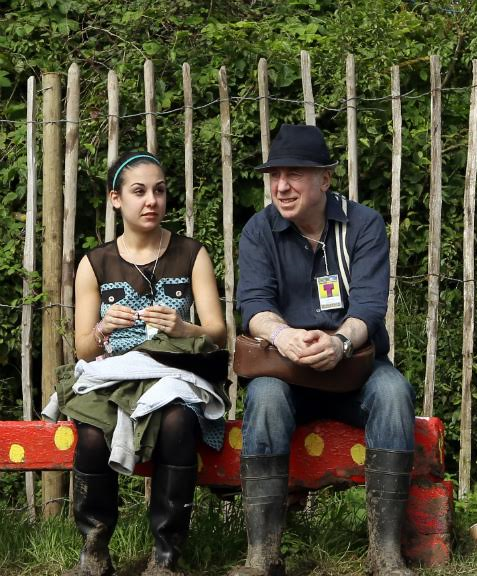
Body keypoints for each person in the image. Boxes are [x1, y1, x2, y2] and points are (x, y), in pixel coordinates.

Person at [233, 124, 416, 576]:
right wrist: (283, 336)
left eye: (295, 174)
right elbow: (252, 304)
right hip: (286, 371)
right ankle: (262, 559)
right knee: (264, 396)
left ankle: (386, 556)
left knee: (394, 394)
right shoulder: (259, 230)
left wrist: (338, 342)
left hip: (354, 369)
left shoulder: (364, 224)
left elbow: (371, 306)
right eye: (274, 174)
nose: (281, 186)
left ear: (325, 179)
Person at [64, 151, 228, 575]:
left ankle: (166, 555)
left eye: (159, 190)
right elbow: (84, 349)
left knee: (176, 424)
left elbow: (217, 332)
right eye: (139, 192)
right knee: (93, 436)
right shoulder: (95, 263)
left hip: (175, 373)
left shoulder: (191, 254)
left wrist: (182, 327)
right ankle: (95, 547)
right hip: (114, 374)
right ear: (116, 199)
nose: (151, 200)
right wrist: (102, 329)